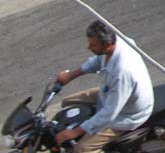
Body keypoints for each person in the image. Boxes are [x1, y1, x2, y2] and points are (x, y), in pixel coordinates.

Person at [53, 21, 153, 153]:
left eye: (93, 45)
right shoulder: (114, 44)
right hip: (111, 92)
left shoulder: (122, 72)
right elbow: (97, 61)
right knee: (67, 102)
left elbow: (109, 113)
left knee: (81, 149)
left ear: (108, 45)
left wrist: (74, 132)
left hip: (126, 114)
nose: (89, 47)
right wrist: (70, 75)